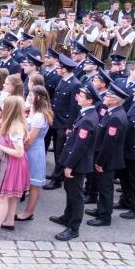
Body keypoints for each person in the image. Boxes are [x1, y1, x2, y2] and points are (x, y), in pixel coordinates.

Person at [49, 84, 100, 241]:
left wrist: (69, 165)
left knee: (76, 194)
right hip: (74, 161)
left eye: (81, 96)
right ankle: (67, 216)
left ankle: (74, 227)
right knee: (70, 190)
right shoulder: (85, 114)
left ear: (90, 100)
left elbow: (80, 147)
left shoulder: (88, 119)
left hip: (77, 163)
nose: (77, 96)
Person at [0, 95, 29, 240]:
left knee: (2, 197)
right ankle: (9, 221)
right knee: (12, 195)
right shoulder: (14, 124)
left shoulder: (15, 128)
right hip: (12, 162)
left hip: (11, 163)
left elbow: (19, 152)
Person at [85, 84, 129, 227]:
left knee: (106, 189)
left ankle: (104, 217)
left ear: (116, 101)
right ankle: (101, 209)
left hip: (107, 160)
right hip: (104, 157)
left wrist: (100, 162)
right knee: (102, 186)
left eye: (109, 96)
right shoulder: (112, 112)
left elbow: (109, 144)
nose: (105, 97)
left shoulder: (116, 117)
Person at [44, 55, 82, 190]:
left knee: (60, 151)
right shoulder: (63, 80)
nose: (57, 70)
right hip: (55, 119)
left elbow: (74, 108)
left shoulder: (75, 84)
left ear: (64, 70)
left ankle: (57, 179)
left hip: (64, 122)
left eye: (59, 68)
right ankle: (56, 173)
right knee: (55, 149)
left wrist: (69, 126)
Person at [17, 85, 53, 221]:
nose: (28, 97)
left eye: (31, 95)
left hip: (33, 150)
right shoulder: (35, 111)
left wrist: (19, 151)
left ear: (38, 98)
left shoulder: (39, 116)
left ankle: (29, 211)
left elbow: (30, 140)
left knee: (33, 183)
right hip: (31, 148)